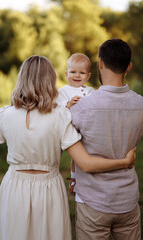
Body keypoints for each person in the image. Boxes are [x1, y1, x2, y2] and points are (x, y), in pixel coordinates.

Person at [0, 55, 136, 240]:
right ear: (50, 80)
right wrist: (124, 162)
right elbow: (86, 163)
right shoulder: (60, 116)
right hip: (48, 188)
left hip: (13, 188)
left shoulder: (3, 115)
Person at [70, 39, 143, 240]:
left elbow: (65, 140)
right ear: (129, 67)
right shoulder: (142, 105)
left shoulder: (83, 107)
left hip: (93, 200)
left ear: (100, 63)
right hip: (128, 199)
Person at [57, 53, 95, 193]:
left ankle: (87, 180)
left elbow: (95, 106)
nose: (77, 76)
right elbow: (56, 107)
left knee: (88, 157)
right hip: (71, 130)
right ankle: (74, 180)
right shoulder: (62, 91)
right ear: (66, 74)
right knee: (75, 158)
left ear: (88, 76)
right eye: (73, 72)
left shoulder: (90, 91)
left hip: (87, 130)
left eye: (82, 73)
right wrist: (68, 104)